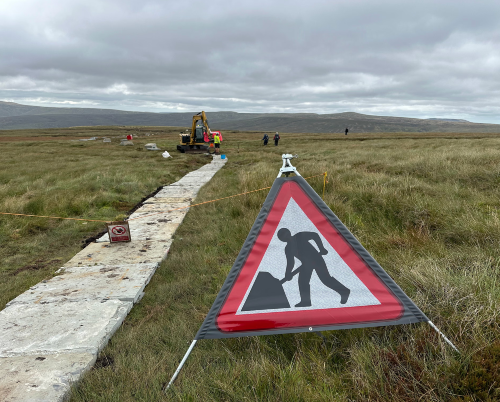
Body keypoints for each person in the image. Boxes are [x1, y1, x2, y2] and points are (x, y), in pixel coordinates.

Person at [278, 228, 350, 307]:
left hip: (316, 259)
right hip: (306, 264)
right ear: (282, 240)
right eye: (282, 237)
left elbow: (314, 235)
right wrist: (288, 273)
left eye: (285, 234)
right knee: (302, 282)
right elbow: (291, 262)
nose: (285, 237)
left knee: (326, 279)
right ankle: (305, 301)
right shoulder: (288, 248)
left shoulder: (299, 236)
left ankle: (344, 291)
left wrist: (321, 248)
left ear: (289, 232)